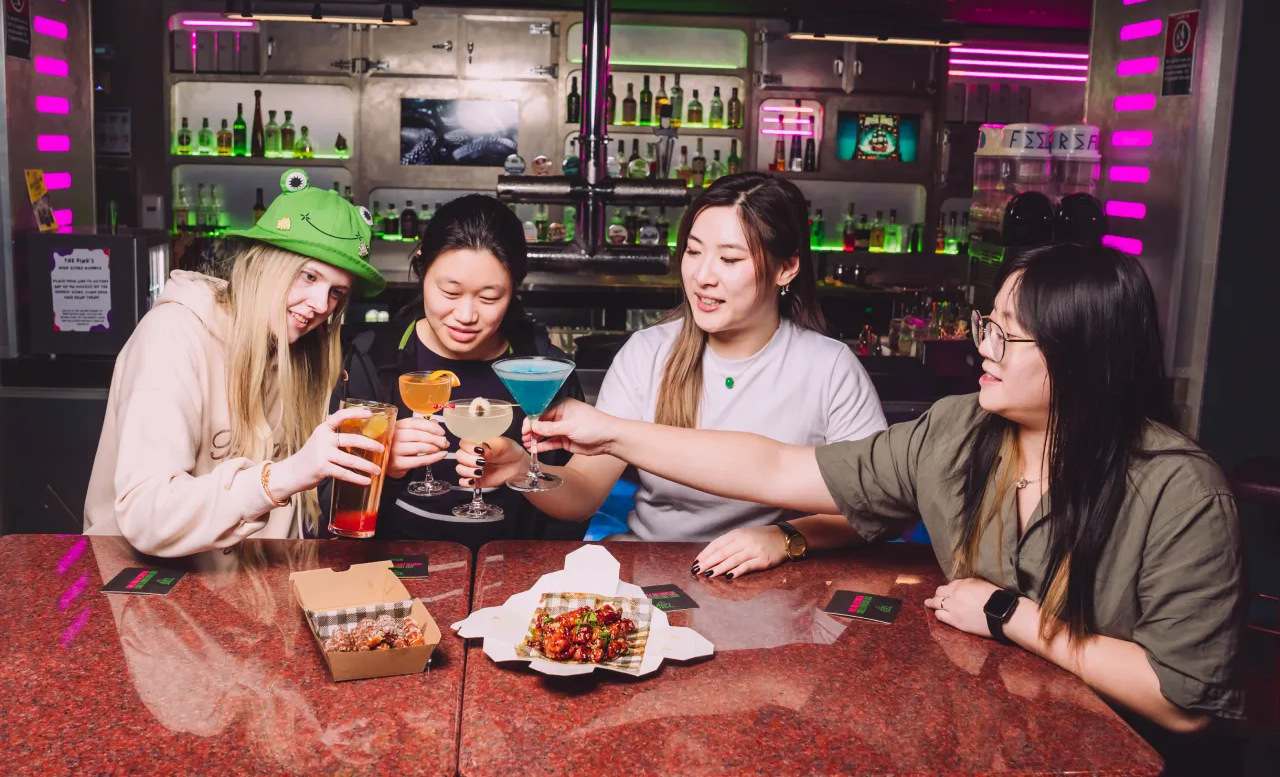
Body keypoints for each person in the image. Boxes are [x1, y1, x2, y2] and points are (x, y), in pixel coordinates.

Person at [514, 243, 1243, 742]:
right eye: (987, 322)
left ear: (1083, 356)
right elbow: (779, 470)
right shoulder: (957, 429)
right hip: (975, 729)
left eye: (1007, 336)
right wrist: (610, 431)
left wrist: (1006, 612)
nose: (980, 344)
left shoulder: (1178, 489)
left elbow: (1179, 699)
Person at [458, 173, 886, 573]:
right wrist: (521, 469)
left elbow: (879, 506)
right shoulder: (648, 352)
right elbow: (585, 493)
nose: (702, 276)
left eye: (730, 259)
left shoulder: (829, 367)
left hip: (778, 580)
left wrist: (785, 537)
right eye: (694, 251)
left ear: (786, 268)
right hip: (652, 568)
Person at [84, 169, 388, 557]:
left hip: (249, 590)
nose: (320, 305)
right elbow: (147, 514)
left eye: (336, 293)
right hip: (146, 588)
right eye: (308, 276)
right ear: (264, 263)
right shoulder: (173, 335)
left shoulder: (296, 351)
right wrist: (282, 477)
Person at [332, 194, 587, 549]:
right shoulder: (375, 358)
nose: (465, 315)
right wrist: (381, 464)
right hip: (395, 568)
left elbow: (577, 500)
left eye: (489, 297)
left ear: (514, 288)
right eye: (449, 291)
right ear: (422, 268)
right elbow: (333, 498)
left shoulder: (541, 371)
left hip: (514, 573)